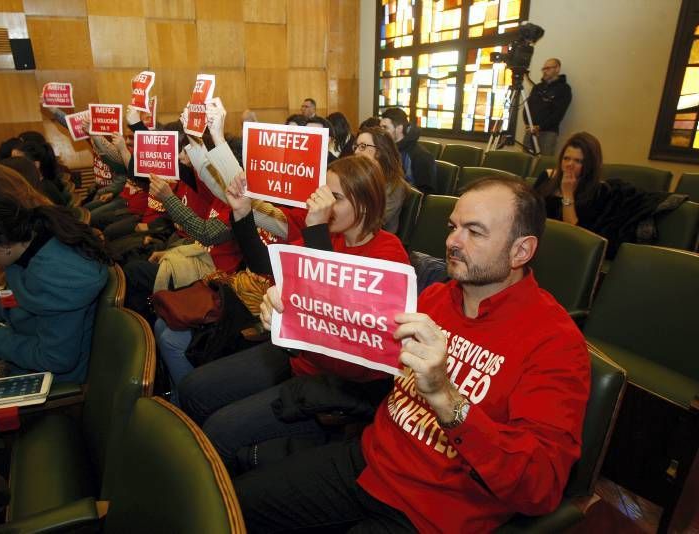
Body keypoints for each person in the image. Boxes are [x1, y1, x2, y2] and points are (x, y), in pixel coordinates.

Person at [234, 176, 591, 533]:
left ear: (521, 251)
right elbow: (364, 370)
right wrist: (296, 326)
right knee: (233, 505)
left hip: (433, 512)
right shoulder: (434, 299)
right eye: (453, 227)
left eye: (475, 232)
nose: (453, 241)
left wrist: (447, 399)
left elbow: (539, 486)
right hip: (370, 463)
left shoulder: (555, 343)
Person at [178, 156, 410, 474]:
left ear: (366, 203)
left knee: (220, 432)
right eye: (324, 193)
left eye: (336, 198)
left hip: (334, 382)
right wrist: (243, 213)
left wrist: (316, 229)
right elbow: (265, 265)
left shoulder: (389, 253)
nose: (324, 204)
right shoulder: (333, 238)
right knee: (194, 388)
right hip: (299, 357)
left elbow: (335, 317)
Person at [0, 189, 111, 388]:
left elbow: (56, 359)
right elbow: (30, 303)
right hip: (34, 353)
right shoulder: (34, 243)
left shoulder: (54, 279)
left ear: (1, 244)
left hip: (53, 378)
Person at [534, 131, 686, 258]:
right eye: (566, 158)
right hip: (539, 241)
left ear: (589, 165)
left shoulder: (598, 192)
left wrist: (568, 194)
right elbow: (529, 212)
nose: (569, 165)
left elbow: (576, 236)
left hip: (566, 250)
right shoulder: (547, 177)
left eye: (578, 161)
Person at [354, 126, 409, 233]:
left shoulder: (395, 186)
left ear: (379, 152)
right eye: (356, 146)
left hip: (377, 240)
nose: (356, 151)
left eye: (362, 146)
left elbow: (372, 222)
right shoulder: (359, 177)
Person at [379, 108, 440, 195]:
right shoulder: (384, 150)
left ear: (399, 129)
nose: (381, 132)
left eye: (385, 127)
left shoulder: (422, 156)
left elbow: (426, 195)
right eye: (380, 127)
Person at [524, 58, 572, 156]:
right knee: (524, 160)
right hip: (530, 131)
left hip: (548, 133)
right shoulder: (537, 87)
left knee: (543, 163)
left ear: (557, 69)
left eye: (548, 68)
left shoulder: (564, 89)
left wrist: (540, 127)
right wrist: (528, 123)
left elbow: (558, 114)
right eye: (544, 69)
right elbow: (527, 106)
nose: (545, 71)